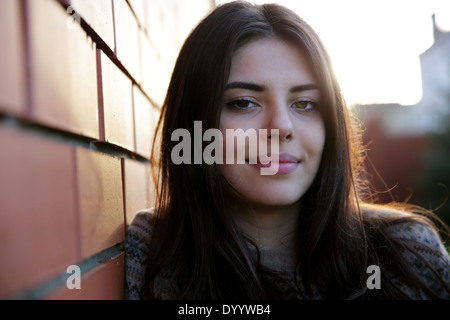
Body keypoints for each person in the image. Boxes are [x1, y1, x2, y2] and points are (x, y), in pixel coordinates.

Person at [123, 1, 450, 299]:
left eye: (305, 103)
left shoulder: (408, 253)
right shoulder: (157, 253)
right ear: (194, 124)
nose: (281, 127)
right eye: (243, 102)